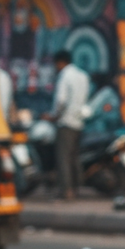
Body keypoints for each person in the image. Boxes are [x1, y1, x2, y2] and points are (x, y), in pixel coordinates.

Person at [43, 49, 89, 200]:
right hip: (79, 122)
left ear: (60, 62)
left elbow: (61, 101)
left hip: (66, 122)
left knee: (63, 158)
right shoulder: (83, 76)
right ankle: (76, 189)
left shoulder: (65, 76)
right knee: (74, 157)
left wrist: (53, 116)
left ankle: (66, 191)